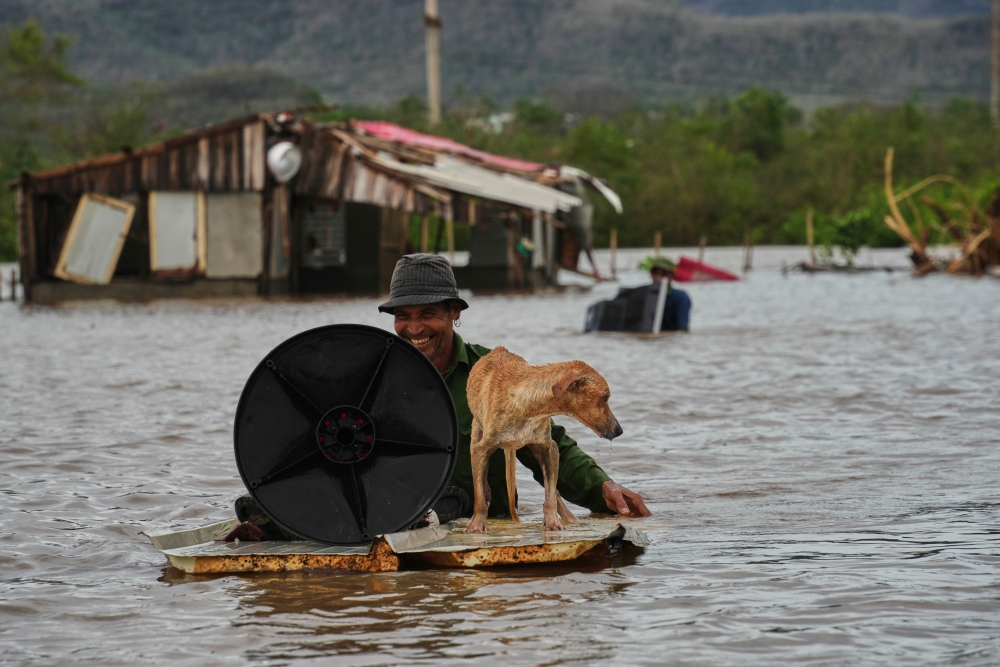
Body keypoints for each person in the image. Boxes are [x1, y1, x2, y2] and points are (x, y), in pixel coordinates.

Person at [380, 253, 651, 520]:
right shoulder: (376, 383)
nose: (414, 329)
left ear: (454, 311)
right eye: (403, 316)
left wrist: (602, 486)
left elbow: (551, 444)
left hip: (487, 538)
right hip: (406, 528)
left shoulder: (498, 376)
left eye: (427, 314)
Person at [646, 257, 691, 332]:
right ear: (651, 274)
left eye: (664, 274)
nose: (658, 277)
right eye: (655, 273)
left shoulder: (680, 297)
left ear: (672, 276)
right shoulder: (645, 296)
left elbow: (682, 330)